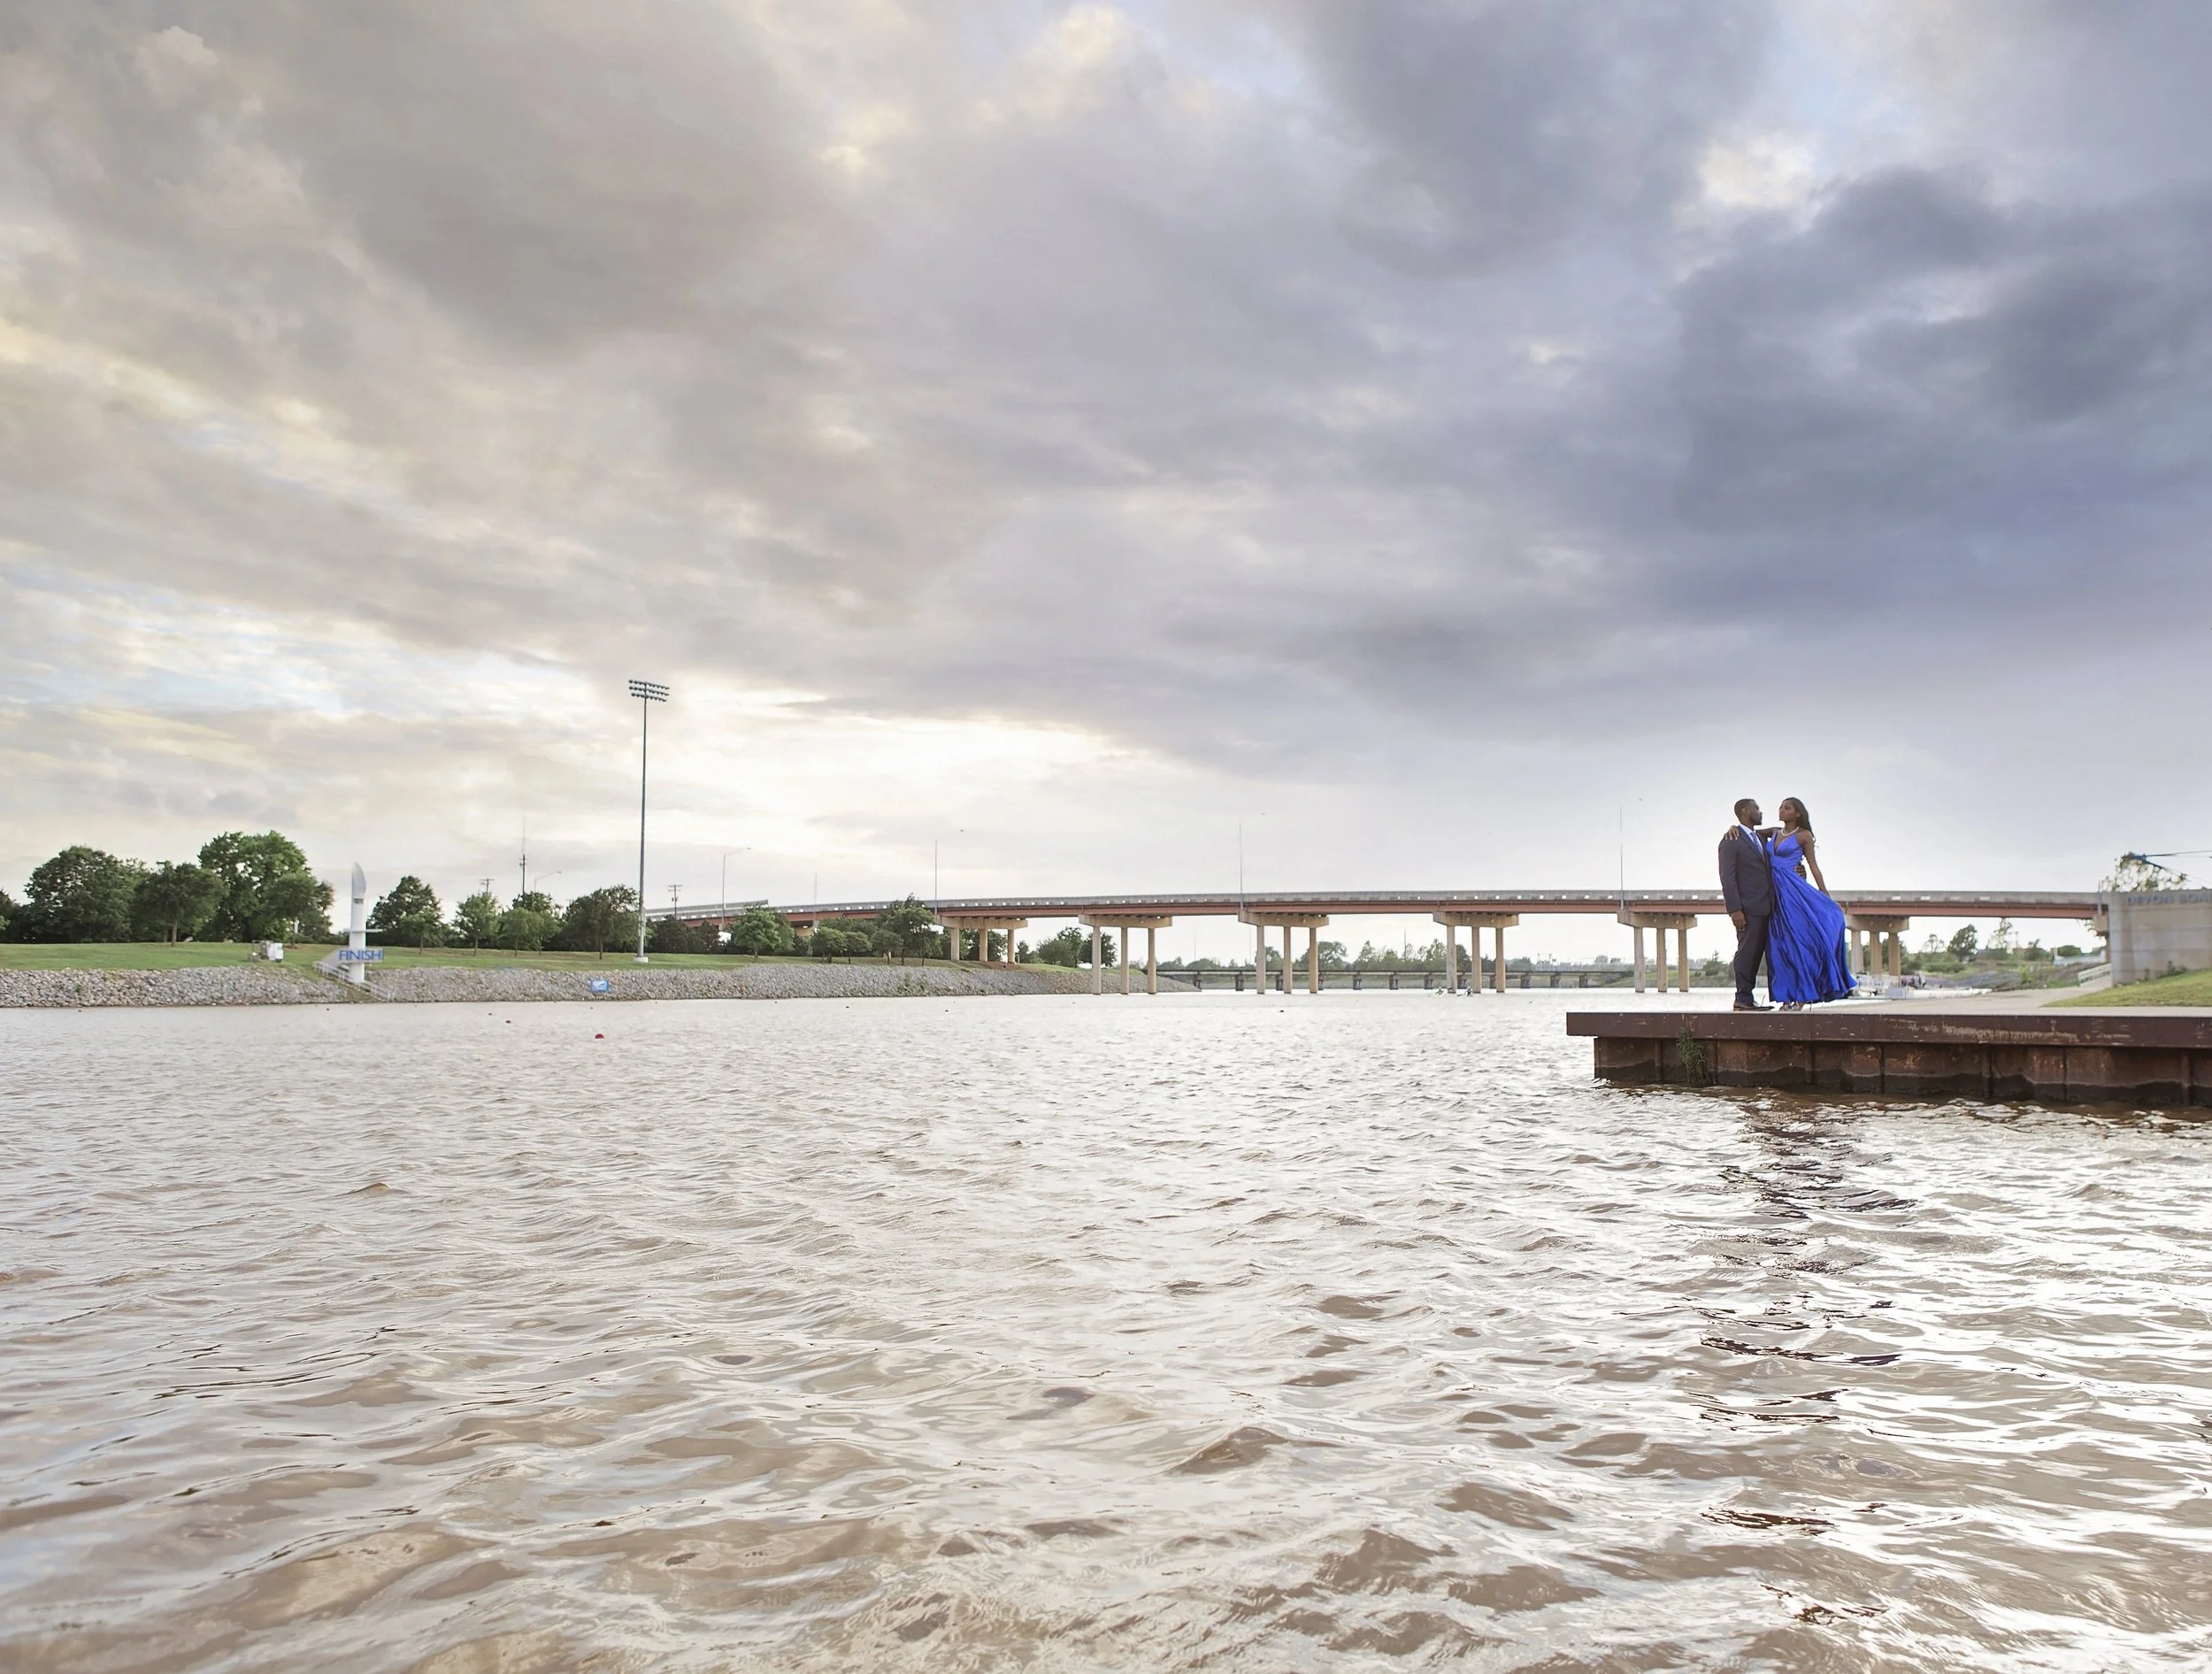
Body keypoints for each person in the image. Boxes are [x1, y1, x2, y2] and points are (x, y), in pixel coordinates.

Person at [1763, 797, 1855, 1010]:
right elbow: (1748, 833)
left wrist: (1826, 898)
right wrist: (1733, 827)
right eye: (1780, 807)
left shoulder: (1804, 836)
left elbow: (1813, 867)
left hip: (1794, 894)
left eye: (1787, 808)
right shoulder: (1773, 833)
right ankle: (1785, 998)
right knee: (1778, 945)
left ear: (1797, 814)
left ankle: (1803, 997)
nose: (1781, 810)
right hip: (1774, 895)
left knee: (1799, 944)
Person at [1717, 797, 1773, 1011]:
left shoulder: (1759, 837)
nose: (1761, 812)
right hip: (1747, 908)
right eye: (1756, 808)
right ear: (1744, 811)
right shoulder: (1731, 841)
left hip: (1767, 905)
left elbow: (1780, 831)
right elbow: (1727, 878)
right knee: (1746, 952)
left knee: (1757, 954)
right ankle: (1742, 998)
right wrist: (1734, 909)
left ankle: (1748, 998)